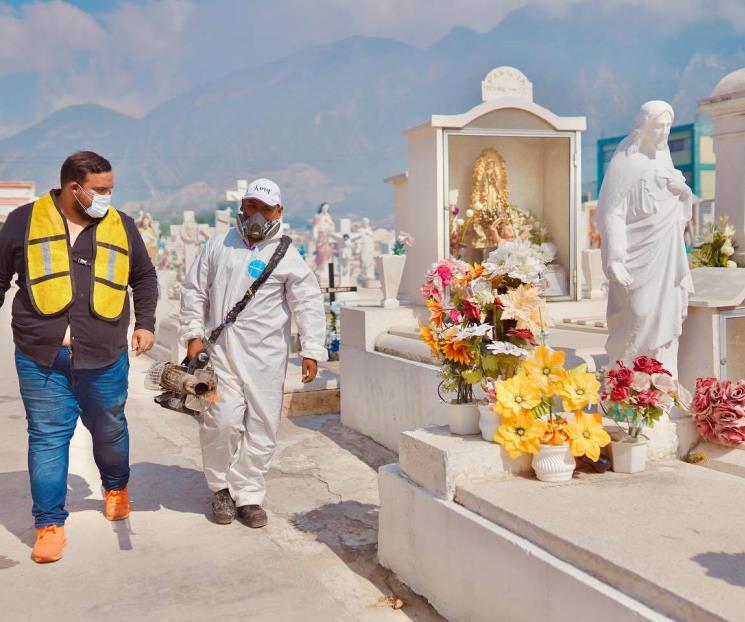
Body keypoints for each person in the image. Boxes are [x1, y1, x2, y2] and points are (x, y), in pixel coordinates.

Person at [0, 151, 158, 563]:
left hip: (105, 355)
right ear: (76, 188)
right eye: (101, 190)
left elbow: (142, 276)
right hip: (42, 357)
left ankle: (115, 486)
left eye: (110, 189)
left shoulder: (120, 225)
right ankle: (49, 524)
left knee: (109, 430)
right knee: (48, 438)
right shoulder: (23, 222)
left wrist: (145, 323)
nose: (108, 196)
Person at [180, 178, 326, 527]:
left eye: (265, 209)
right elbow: (194, 292)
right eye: (251, 207)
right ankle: (220, 489)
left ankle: (248, 495)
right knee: (222, 422)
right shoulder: (219, 245)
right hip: (221, 357)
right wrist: (192, 337)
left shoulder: (288, 255)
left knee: (263, 428)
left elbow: (308, 303)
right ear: (241, 207)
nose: (257, 215)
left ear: (279, 212)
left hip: (266, 360)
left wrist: (312, 349)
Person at [598, 101, 693, 378]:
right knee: (637, 313)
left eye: (667, 126)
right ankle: (623, 386)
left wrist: (683, 192)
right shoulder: (625, 164)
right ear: (644, 127)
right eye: (658, 126)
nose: (663, 132)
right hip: (635, 256)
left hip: (665, 254)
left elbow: (679, 215)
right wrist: (615, 259)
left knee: (665, 317)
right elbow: (611, 213)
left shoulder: (664, 162)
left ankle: (659, 389)